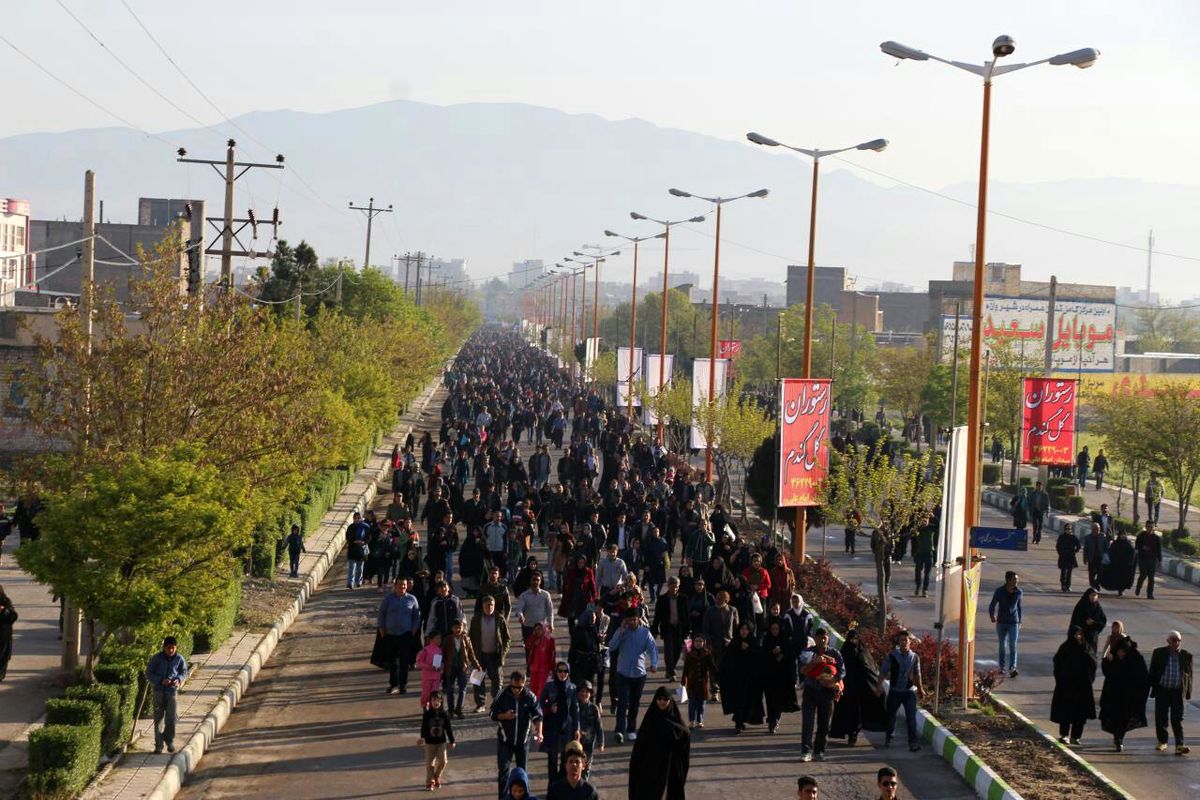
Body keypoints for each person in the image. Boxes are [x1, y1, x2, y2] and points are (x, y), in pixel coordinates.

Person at [628, 687, 690, 800]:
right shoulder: (650, 721)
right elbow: (639, 749)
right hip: (651, 771)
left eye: (665, 699)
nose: (662, 702)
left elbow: (684, 737)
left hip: (670, 772)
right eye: (659, 699)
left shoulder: (677, 725)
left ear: (670, 701)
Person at [829, 623, 886, 746]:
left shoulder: (863, 652)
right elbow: (838, 669)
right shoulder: (843, 653)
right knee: (848, 713)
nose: (853, 641)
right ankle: (850, 735)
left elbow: (870, 670)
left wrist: (876, 686)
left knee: (859, 715)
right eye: (851, 639)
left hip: (861, 690)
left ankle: (854, 735)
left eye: (855, 639)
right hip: (847, 690)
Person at [608, 606, 659, 743]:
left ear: (638, 619)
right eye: (629, 620)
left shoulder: (645, 633)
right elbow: (612, 646)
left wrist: (654, 663)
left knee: (634, 704)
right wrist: (621, 633)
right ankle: (619, 730)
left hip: (639, 674)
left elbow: (652, 649)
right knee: (622, 703)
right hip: (623, 673)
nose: (632, 622)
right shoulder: (622, 631)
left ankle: (631, 729)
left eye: (634, 620)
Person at [491, 670, 544, 797]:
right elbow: (492, 714)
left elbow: (538, 716)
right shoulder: (502, 695)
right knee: (503, 772)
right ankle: (503, 798)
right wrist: (504, 716)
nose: (516, 690)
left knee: (522, 773)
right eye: (514, 687)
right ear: (510, 683)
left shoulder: (530, 696)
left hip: (523, 742)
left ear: (524, 683)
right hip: (505, 741)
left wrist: (539, 732)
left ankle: (525, 797)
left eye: (520, 687)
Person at [799, 628, 844, 760]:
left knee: (824, 724)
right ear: (815, 638)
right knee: (808, 723)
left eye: (825, 638)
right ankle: (806, 751)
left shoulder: (834, 653)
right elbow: (802, 670)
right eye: (820, 638)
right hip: (811, 691)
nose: (822, 640)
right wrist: (814, 662)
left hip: (827, 693)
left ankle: (819, 751)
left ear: (828, 638)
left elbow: (842, 671)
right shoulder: (808, 653)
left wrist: (832, 681)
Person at [1099, 635, 1151, 752]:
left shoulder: (1135, 660)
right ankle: (1117, 738)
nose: (1121, 654)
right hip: (1113, 695)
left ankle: (1119, 738)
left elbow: (1143, 678)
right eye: (1119, 652)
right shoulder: (1113, 659)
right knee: (1114, 718)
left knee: (1124, 719)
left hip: (1128, 697)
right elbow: (1107, 672)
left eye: (1123, 652)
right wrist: (1107, 660)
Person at [878, 629, 926, 752]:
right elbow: (883, 671)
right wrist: (878, 686)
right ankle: (889, 736)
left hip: (909, 692)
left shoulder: (915, 657)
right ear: (898, 642)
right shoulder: (892, 656)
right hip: (894, 691)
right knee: (891, 716)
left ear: (910, 642)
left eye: (906, 640)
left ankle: (913, 743)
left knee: (911, 718)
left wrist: (921, 689)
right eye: (901, 640)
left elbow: (917, 674)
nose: (904, 642)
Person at [539, 661, 581, 794]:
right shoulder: (549, 686)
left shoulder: (572, 688)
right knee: (552, 761)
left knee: (565, 760)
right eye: (560, 671)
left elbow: (575, 709)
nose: (563, 674)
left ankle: (562, 790)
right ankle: (552, 789)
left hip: (566, 728)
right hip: (552, 727)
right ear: (556, 672)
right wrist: (549, 708)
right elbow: (539, 704)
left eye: (565, 671)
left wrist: (577, 728)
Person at [1051, 626, 1097, 745]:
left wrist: (1089, 679)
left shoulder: (1086, 647)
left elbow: (1093, 663)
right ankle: (1064, 735)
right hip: (1067, 686)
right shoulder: (1065, 648)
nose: (1078, 637)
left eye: (1080, 634)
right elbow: (1058, 664)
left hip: (1082, 686)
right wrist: (1061, 680)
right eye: (1076, 634)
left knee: (1080, 713)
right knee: (1066, 712)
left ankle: (1076, 736)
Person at [1148, 631, 1192, 755]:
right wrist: (1150, 687)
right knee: (1161, 717)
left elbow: (1189, 676)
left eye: (1178, 640)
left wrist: (1187, 692)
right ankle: (1162, 741)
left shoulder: (1186, 655)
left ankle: (1179, 744)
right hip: (1163, 690)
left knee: (1177, 719)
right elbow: (1152, 671)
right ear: (1168, 641)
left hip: (1177, 692)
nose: (1176, 642)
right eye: (1173, 640)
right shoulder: (1159, 653)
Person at [378, 577, 422, 695]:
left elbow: (417, 616)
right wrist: (382, 629)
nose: (402, 587)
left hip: (405, 635)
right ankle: (393, 684)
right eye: (400, 584)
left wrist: (414, 629)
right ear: (395, 585)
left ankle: (403, 685)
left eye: (404, 585)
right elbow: (381, 614)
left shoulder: (412, 599)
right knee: (393, 662)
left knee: (404, 662)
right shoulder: (388, 599)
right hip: (390, 635)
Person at [146, 636, 188, 754]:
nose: (170, 650)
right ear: (164, 648)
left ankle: (169, 740)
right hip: (158, 692)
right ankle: (158, 745)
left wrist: (178, 680)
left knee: (171, 719)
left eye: (173, 648)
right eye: (168, 648)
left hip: (172, 692)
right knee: (158, 719)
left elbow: (184, 671)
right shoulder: (156, 659)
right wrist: (160, 680)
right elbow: (149, 672)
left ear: (176, 648)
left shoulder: (179, 659)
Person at [722, 621, 766, 735]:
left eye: (747, 629)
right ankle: (738, 723)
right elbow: (727, 660)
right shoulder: (734, 642)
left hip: (751, 679)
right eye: (742, 629)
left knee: (749, 700)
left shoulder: (753, 642)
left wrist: (749, 649)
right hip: (737, 679)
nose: (744, 631)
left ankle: (743, 720)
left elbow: (759, 657)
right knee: (738, 701)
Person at [471, 595, 511, 712]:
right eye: (487, 605)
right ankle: (480, 704)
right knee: (477, 680)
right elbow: (471, 637)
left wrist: (503, 654)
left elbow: (507, 639)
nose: (490, 607)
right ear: (482, 606)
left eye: (492, 605)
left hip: (495, 655)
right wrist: (471, 656)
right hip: (479, 655)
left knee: (497, 681)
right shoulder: (476, 619)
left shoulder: (500, 619)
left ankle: (496, 703)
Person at [762, 618, 799, 734]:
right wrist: (771, 653)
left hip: (782, 677)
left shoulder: (785, 641)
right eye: (773, 629)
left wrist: (782, 651)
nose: (775, 631)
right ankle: (771, 719)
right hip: (769, 676)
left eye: (777, 629)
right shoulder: (767, 640)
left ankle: (775, 720)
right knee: (770, 700)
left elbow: (791, 657)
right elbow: (762, 656)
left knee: (778, 700)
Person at [442, 618, 481, 719]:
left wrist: (477, 665)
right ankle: (450, 710)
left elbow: (471, 654)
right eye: (456, 628)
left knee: (463, 689)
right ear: (452, 629)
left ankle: (459, 709)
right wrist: (439, 666)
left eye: (460, 627)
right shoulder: (447, 639)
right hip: (450, 667)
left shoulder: (466, 639)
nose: (458, 629)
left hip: (462, 668)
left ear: (463, 628)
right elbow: (442, 654)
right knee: (450, 689)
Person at [418, 690, 456, 790]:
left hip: (441, 742)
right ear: (430, 701)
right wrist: (422, 737)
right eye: (434, 700)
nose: (436, 702)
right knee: (430, 763)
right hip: (429, 743)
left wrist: (452, 741)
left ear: (441, 702)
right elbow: (423, 727)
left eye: (438, 700)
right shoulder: (427, 714)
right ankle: (429, 782)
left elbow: (448, 728)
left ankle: (437, 775)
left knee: (444, 761)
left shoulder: (444, 714)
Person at [988, 571, 1023, 677]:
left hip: (1013, 622)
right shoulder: (999, 591)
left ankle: (1012, 668)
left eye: (1017, 579)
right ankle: (1001, 667)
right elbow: (992, 605)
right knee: (1002, 646)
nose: (1016, 581)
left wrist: (1020, 621)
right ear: (1008, 580)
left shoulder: (1019, 592)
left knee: (1013, 646)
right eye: (1014, 579)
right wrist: (992, 616)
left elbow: (1019, 607)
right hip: (1001, 622)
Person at [653, 576, 688, 681]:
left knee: (677, 651)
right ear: (668, 586)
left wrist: (688, 629)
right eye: (673, 586)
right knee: (668, 651)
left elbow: (687, 616)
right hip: (667, 628)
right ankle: (671, 672)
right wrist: (655, 628)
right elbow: (657, 615)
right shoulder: (662, 599)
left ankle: (670, 669)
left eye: (677, 586)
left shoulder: (683, 599)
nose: (675, 589)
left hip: (679, 628)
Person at [681, 633, 717, 729]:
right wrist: (683, 681)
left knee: (701, 703)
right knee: (692, 703)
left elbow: (713, 667)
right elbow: (685, 669)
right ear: (693, 642)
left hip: (703, 684)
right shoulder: (689, 655)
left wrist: (718, 676)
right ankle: (692, 721)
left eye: (700, 641)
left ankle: (700, 720)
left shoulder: (707, 654)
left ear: (704, 642)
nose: (698, 643)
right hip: (692, 684)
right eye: (696, 641)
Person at [515, 572, 555, 646]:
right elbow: (519, 608)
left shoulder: (545, 595)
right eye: (533, 580)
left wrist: (551, 624)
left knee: (541, 652)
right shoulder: (524, 595)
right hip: (528, 627)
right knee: (529, 652)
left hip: (542, 627)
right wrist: (520, 616)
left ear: (540, 581)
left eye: (538, 580)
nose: (535, 582)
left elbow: (550, 611)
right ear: (530, 581)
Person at [575, 680, 605, 775]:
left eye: (587, 692)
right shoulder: (574, 707)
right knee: (575, 767)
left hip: (588, 744)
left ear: (591, 694)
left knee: (586, 767)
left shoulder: (594, 709)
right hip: (576, 743)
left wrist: (601, 743)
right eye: (582, 691)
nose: (584, 694)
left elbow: (599, 727)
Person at [1068, 588, 1107, 655]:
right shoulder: (1081, 606)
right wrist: (1084, 623)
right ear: (1088, 596)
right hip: (1081, 636)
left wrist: (1093, 623)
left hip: (1092, 637)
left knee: (1091, 657)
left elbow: (1103, 622)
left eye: (1096, 595)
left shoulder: (1098, 607)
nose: (1094, 597)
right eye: (1092, 595)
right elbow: (1075, 621)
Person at [1100, 530, 1136, 598]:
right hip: (1116, 564)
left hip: (1124, 565)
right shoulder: (1115, 543)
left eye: (1124, 534)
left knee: (1123, 579)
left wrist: (1130, 561)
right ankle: (1116, 588)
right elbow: (1111, 551)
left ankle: (1121, 590)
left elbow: (1132, 552)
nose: (1122, 536)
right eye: (1121, 534)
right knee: (1116, 578)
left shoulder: (1128, 544)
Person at [525, 622, 558, 697]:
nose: (537, 631)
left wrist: (553, 669)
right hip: (534, 668)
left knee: (541, 689)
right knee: (533, 689)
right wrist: (533, 636)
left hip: (544, 669)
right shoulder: (534, 639)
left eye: (539, 629)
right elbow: (527, 645)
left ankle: (541, 706)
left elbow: (552, 656)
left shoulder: (550, 640)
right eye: (535, 629)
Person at [417, 632, 446, 708]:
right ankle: (424, 706)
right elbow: (419, 662)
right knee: (426, 693)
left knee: (435, 693)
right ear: (431, 639)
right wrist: (429, 667)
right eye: (437, 638)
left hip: (436, 676)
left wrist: (441, 667)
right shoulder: (426, 650)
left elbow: (442, 662)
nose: (439, 640)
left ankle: (433, 708)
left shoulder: (440, 650)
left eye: (440, 638)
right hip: (427, 676)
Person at [1135, 521, 1163, 599]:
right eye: (1148, 526)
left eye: (1151, 527)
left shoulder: (1156, 538)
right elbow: (1137, 546)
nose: (1150, 528)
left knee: (1151, 578)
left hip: (1152, 560)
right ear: (1146, 527)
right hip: (1143, 559)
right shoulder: (1141, 536)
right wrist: (1142, 547)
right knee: (1143, 575)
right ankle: (1138, 587)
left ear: (1154, 527)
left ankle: (1149, 594)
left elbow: (1159, 550)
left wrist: (1160, 560)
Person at [1056, 523, 1081, 592]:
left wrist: (1075, 551)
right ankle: (1063, 585)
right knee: (1063, 572)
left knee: (1069, 573)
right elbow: (1058, 546)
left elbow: (1079, 546)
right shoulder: (1061, 537)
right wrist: (1060, 553)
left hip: (1071, 557)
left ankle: (1068, 586)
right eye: (1067, 529)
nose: (1068, 530)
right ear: (1064, 529)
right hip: (1063, 557)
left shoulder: (1074, 537)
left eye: (1069, 529)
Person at [1082, 522, 1108, 591]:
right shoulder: (1088, 538)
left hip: (1100, 558)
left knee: (1100, 573)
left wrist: (1106, 557)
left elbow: (1106, 547)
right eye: (1096, 529)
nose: (1098, 530)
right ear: (1092, 529)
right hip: (1092, 558)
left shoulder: (1103, 536)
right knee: (1091, 574)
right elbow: (1086, 549)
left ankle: (1096, 584)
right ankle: (1094, 585)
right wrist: (1085, 558)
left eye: (1099, 528)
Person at [0, 586, 16, 682]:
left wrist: (4, 611)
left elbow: (13, 615)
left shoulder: (5, 601)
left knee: (2, 655)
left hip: (3, 634)